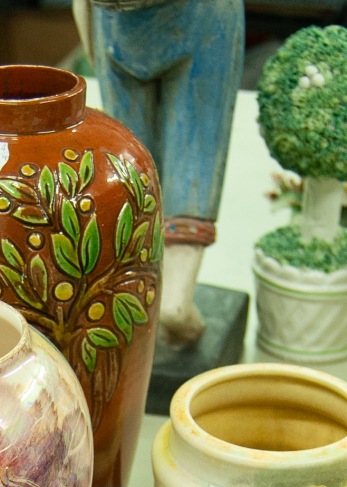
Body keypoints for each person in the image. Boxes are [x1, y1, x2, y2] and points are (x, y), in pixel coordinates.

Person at [75, 0, 244, 343]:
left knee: (189, 159)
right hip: (114, 27)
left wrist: (89, 32)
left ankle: (173, 302)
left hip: (194, 21)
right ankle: (155, 302)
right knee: (131, 177)